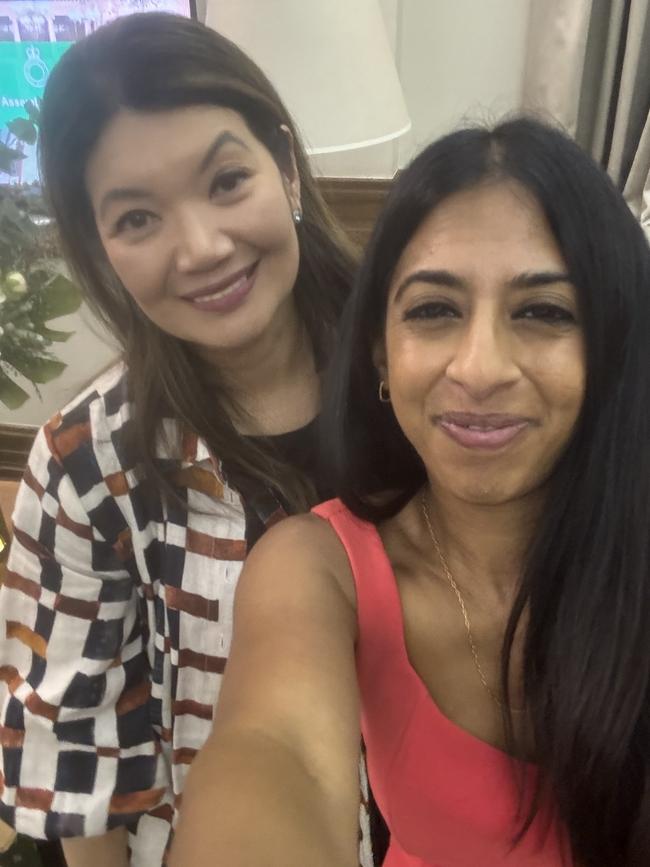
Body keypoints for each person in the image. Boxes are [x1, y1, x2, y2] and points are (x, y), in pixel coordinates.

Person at [169, 116, 650, 867]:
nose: (481, 366)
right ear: (380, 355)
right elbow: (275, 751)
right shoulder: (318, 565)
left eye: (544, 312)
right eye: (433, 310)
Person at [0, 12, 381, 867]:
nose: (203, 248)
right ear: (100, 248)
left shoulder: (420, 378)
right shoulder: (86, 463)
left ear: (284, 165)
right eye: (137, 220)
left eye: (226, 181)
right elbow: (76, 761)